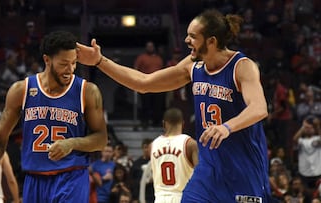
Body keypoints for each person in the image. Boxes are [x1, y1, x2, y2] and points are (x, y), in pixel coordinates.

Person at [77, 9, 272, 202]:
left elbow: (259, 108)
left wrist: (226, 127)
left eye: (193, 37)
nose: (187, 41)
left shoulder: (241, 66)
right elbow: (144, 83)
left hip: (244, 170)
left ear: (212, 41)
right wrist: (100, 61)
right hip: (208, 171)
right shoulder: (193, 65)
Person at [0, 31, 108, 203]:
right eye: (64, 64)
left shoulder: (87, 91)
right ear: (47, 60)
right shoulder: (22, 90)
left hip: (71, 177)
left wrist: (72, 143)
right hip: (34, 179)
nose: (70, 70)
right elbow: (0, 137)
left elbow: (101, 139)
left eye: (74, 63)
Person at [150, 108, 198, 203]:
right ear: (183, 124)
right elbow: (200, 174)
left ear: (164, 124)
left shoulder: (153, 144)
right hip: (183, 197)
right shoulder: (190, 144)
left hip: (160, 198)